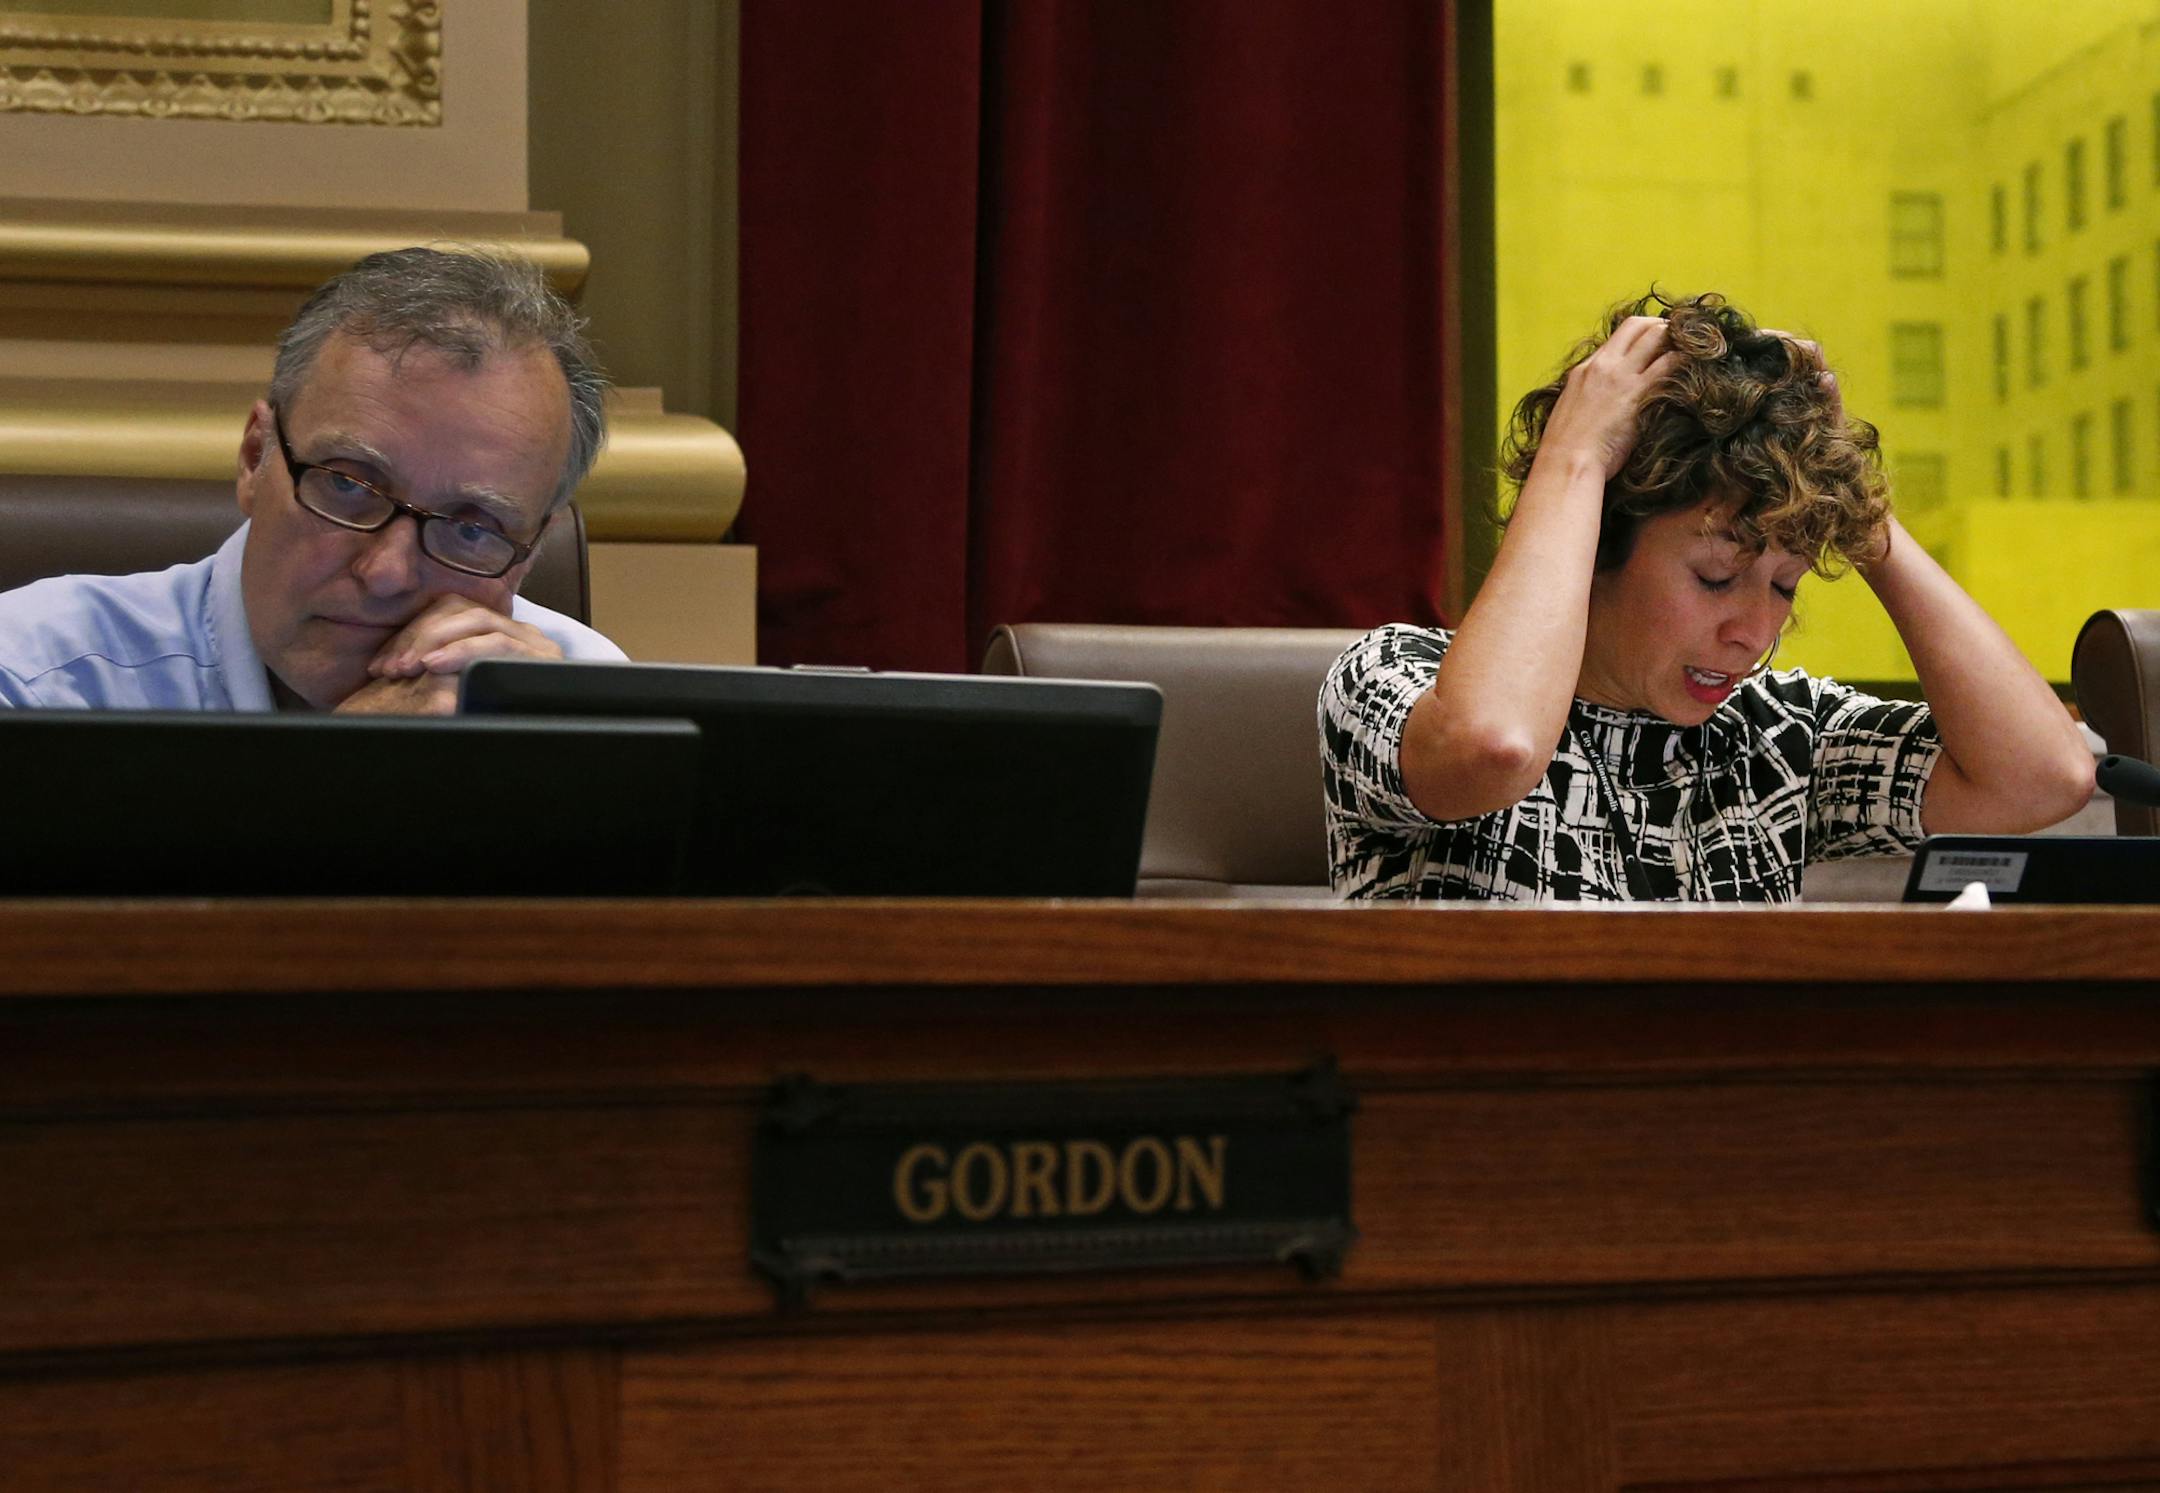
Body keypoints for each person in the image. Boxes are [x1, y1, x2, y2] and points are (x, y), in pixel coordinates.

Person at [1320, 290, 2094, 901]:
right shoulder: (1392, 679)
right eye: (1715, 577)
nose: (1754, 632)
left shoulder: (1774, 741)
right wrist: (1577, 458)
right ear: (1596, 538)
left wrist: (1860, 514)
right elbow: (1494, 746)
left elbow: (2044, 776)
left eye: (1784, 586)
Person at [0, 245, 625, 713]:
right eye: (349, 487)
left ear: (527, 556)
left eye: (469, 527)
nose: (385, 573)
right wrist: (337, 769)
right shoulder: (35, 679)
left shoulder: (589, 704)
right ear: (255, 456)